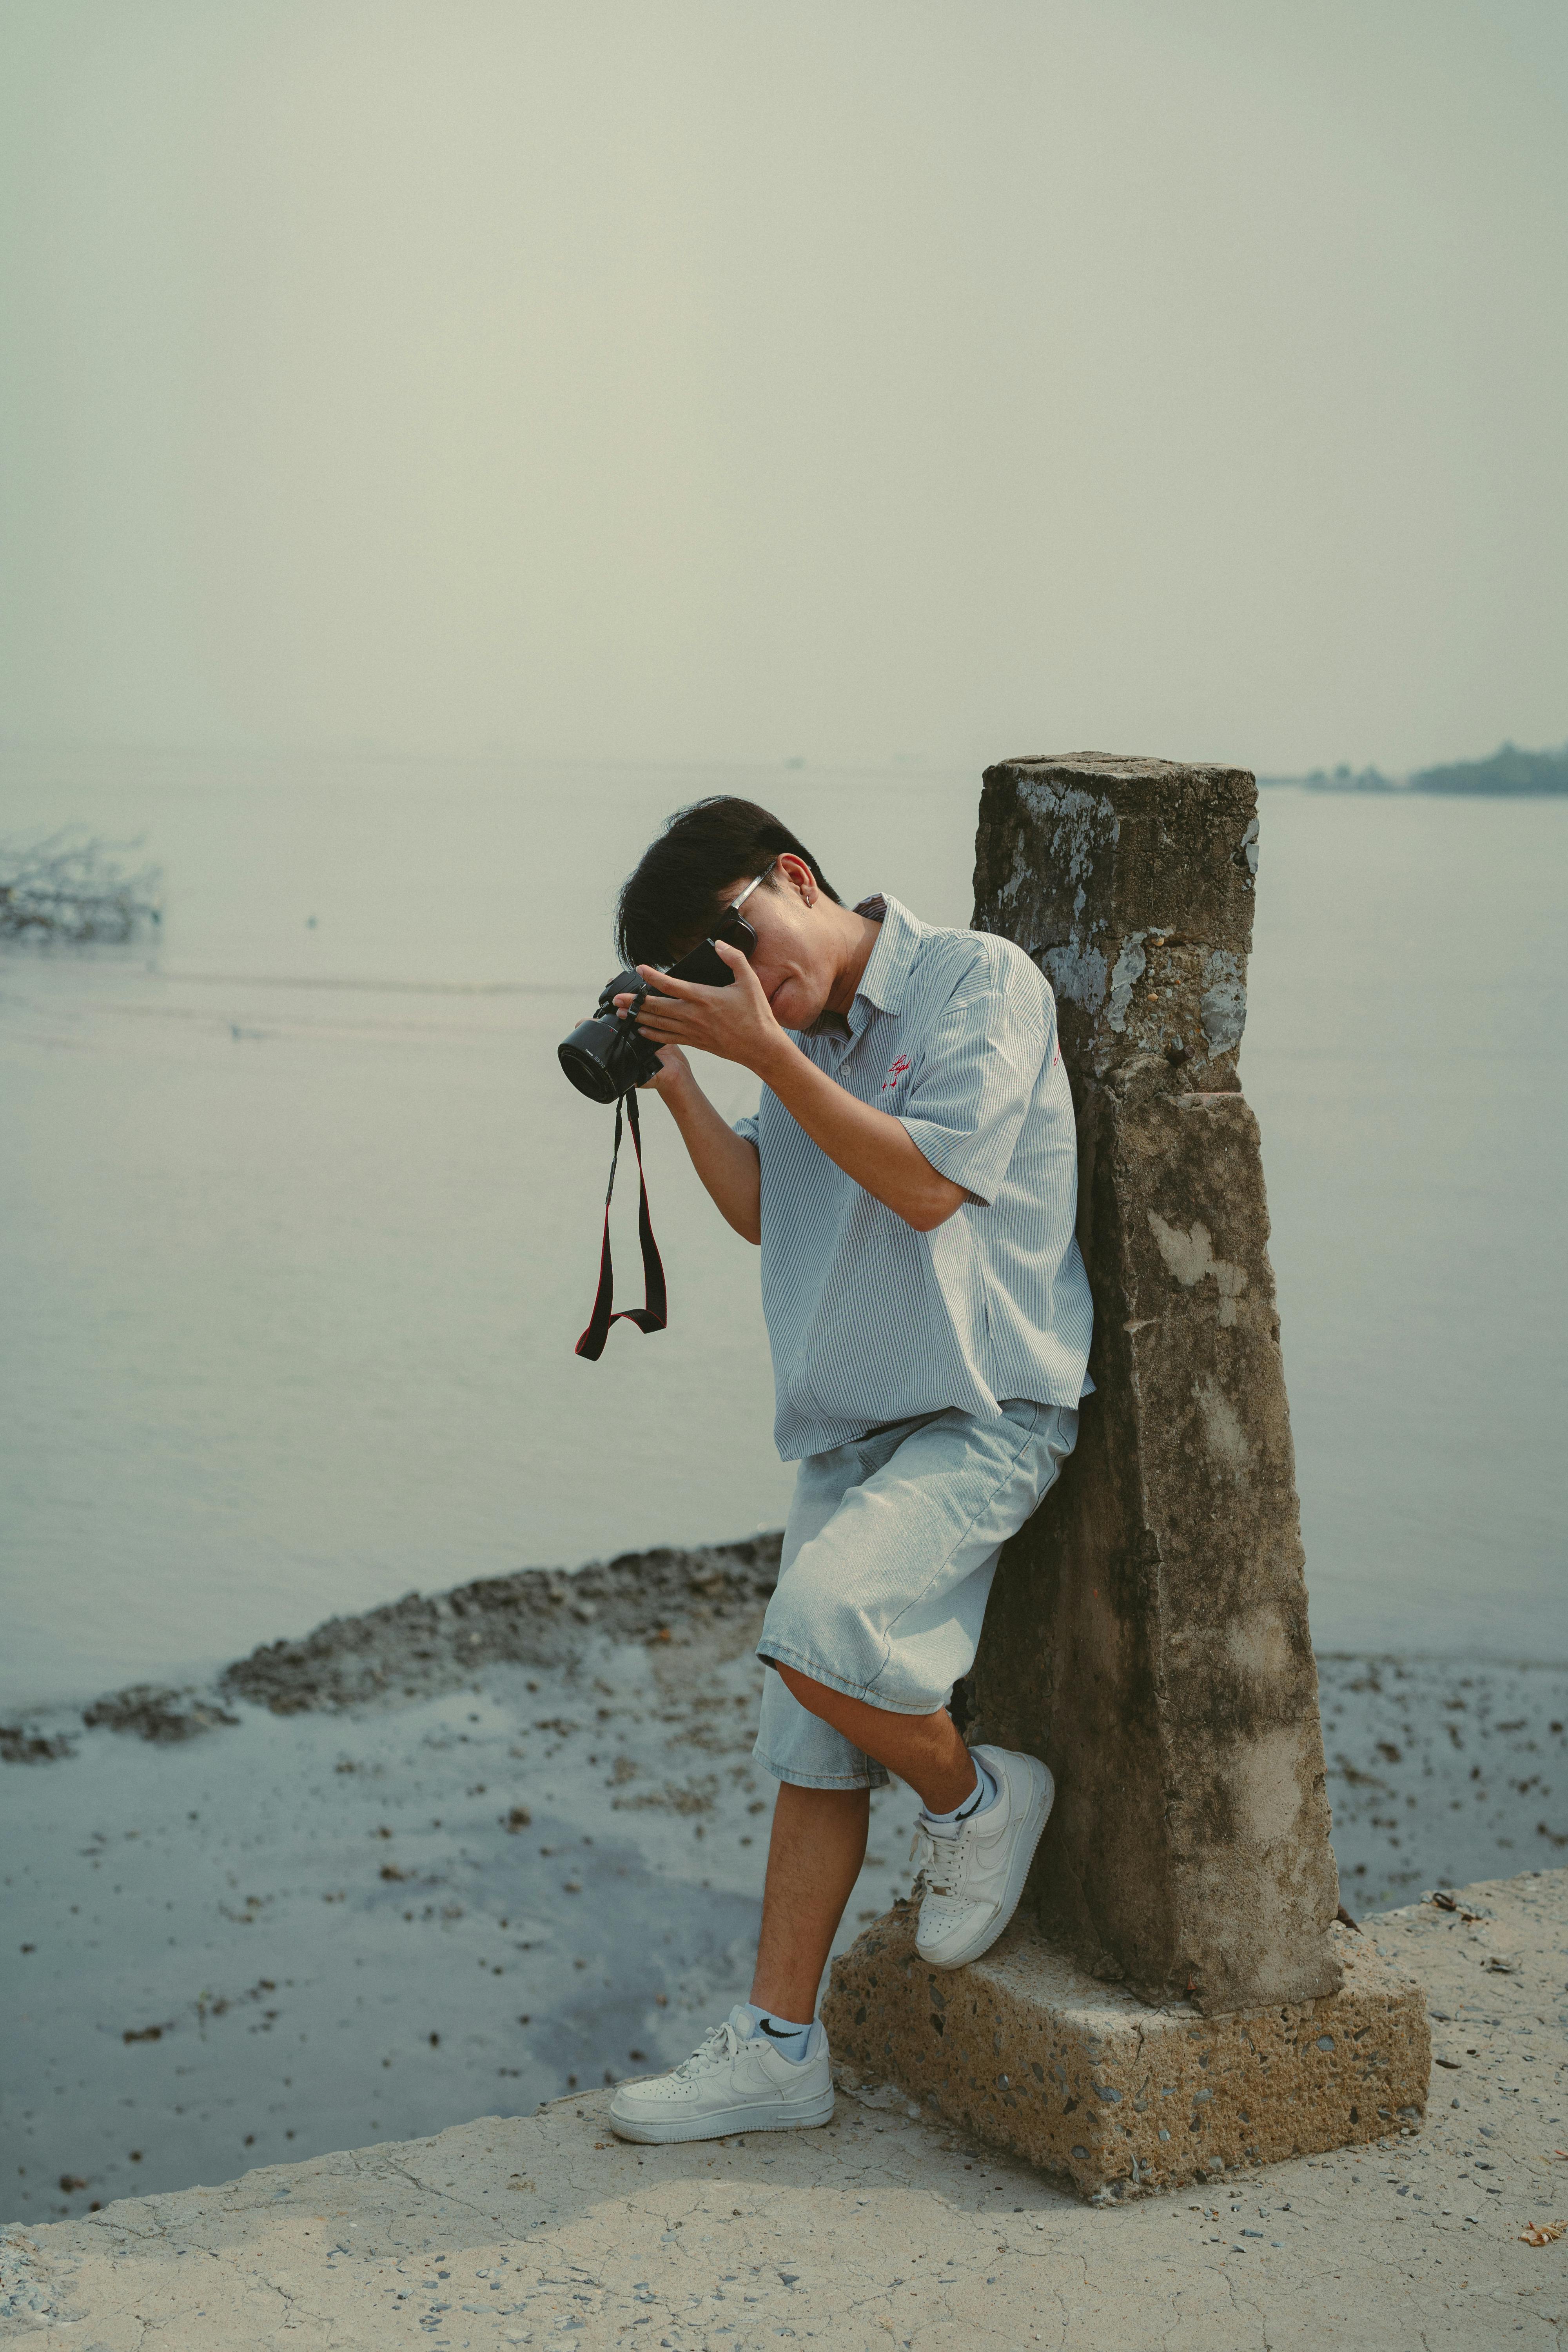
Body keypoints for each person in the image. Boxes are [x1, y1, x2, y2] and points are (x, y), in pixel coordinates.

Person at [603, 797, 1093, 2145]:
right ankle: (778, 2048)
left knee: (820, 1631)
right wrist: (693, 1080)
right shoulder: (792, 1035)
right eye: (711, 973)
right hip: (848, 1426)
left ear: (794, 876)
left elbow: (932, 1184)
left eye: (737, 941)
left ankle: (978, 1798)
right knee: (811, 1751)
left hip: (983, 1409)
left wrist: (767, 1044)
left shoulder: (976, 984)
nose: (745, 981)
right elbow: (773, 1204)